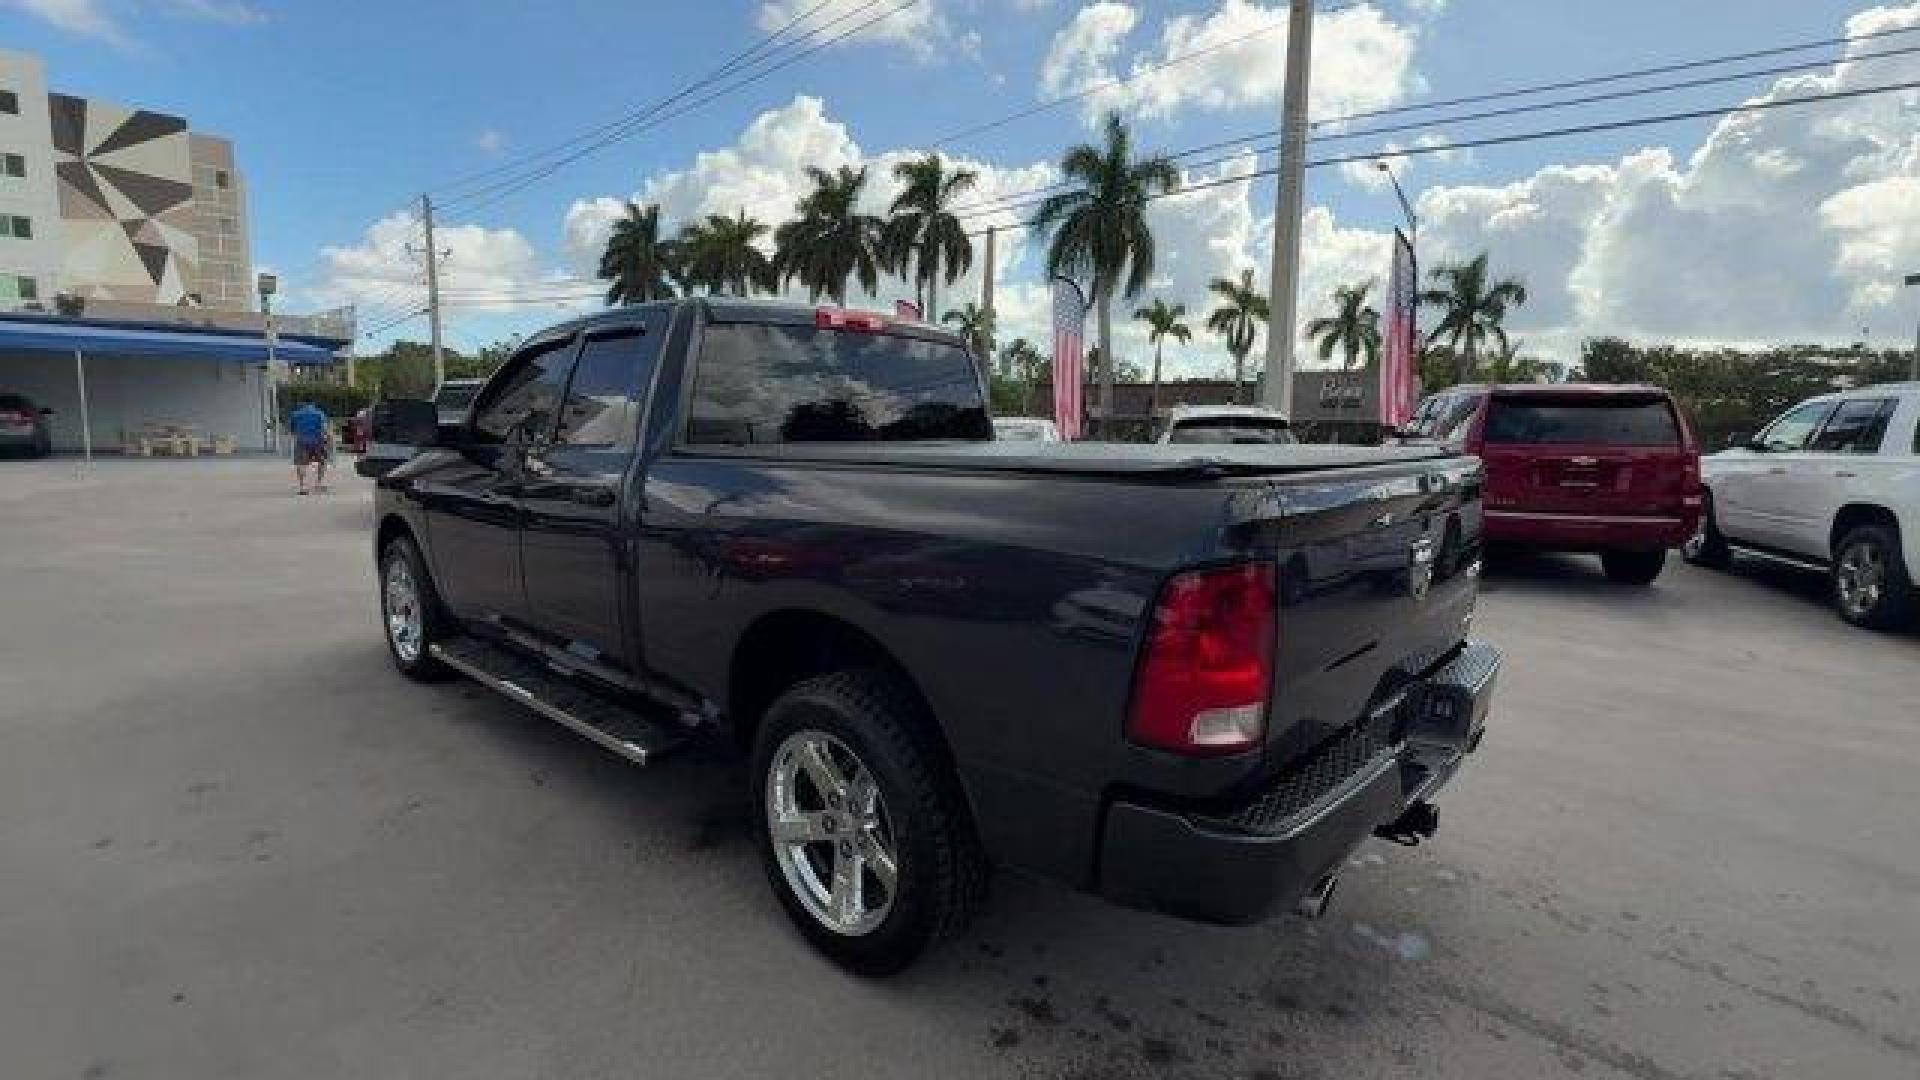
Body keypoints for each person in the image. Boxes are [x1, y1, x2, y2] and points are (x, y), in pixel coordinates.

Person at [288, 400, 332, 495]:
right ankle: (318, 483)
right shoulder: (319, 413)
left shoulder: (296, 414)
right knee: (322, 461)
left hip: (302, 441)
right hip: (318, 441)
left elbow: (292, 429)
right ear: (313, 405)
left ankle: (303, 486)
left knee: (301, 463)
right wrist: (328, 440)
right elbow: (324, 428)